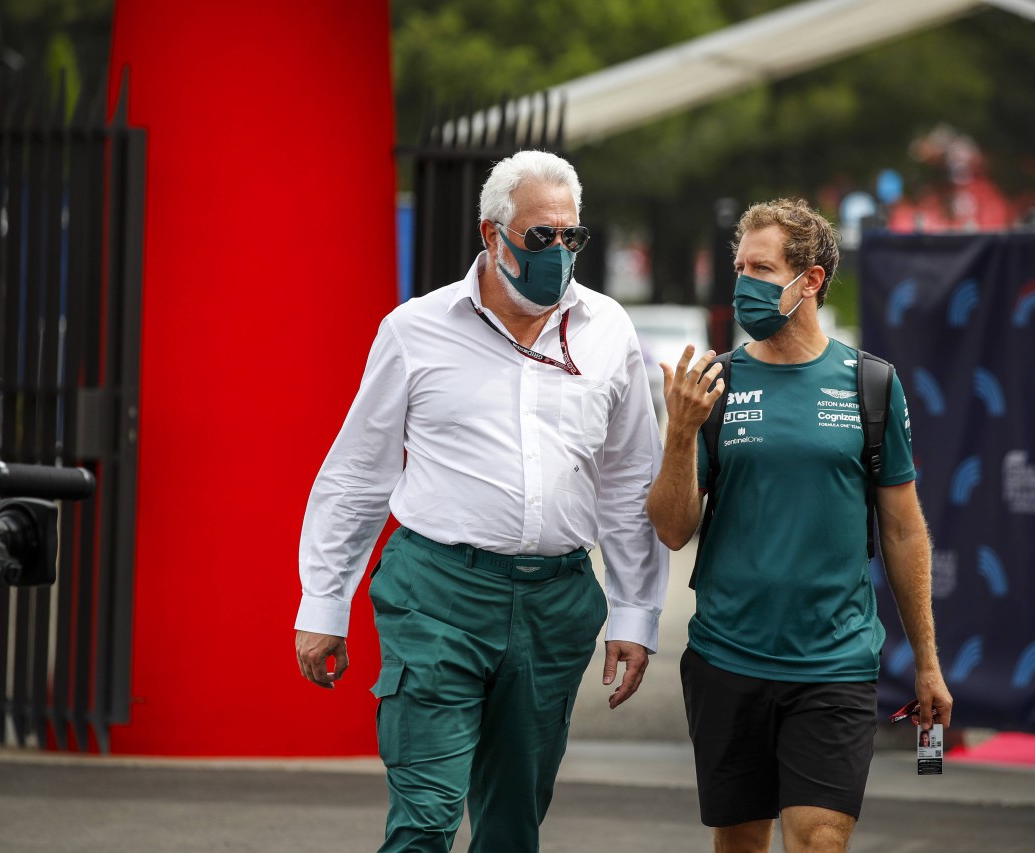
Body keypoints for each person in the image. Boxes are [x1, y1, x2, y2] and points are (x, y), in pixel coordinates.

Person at [294, 149, 668, 853]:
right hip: (437, 592)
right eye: (540, 236)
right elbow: (357, 475)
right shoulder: (415, 330)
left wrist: (634, 611)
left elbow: (627, 479)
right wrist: (324, 604)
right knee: (427, 815)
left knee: (511, 823)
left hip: (555, 601)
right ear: (491, 235)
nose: (558, 251)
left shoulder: (610, 329)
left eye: (571, 236)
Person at [646, 198, 952, 853]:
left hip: (835, 661)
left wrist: (926, 662)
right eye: (739, 266)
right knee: (742, 842)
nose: (742, 283)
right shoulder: (716, 384)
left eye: (760, 267)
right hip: (728, 654)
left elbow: (903, 531)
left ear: (809, 279)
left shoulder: (871, 383)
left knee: (817, 838)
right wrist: (679, 436)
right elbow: (673, 529)